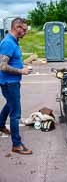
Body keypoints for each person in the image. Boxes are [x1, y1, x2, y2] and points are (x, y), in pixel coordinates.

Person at [0, 17, 32, 154]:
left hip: (11, 82)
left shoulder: (13, 41)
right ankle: (16, 145)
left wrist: (22, 64)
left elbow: (11, 60)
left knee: (10, 104)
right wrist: (21, 71)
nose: (25, 32)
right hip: (9, 83)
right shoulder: (8, 43)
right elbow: (2, 66)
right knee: (15, 114)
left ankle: (0, 124)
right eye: (24, 30)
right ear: (16, 28)